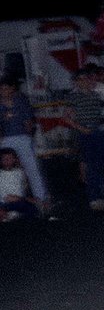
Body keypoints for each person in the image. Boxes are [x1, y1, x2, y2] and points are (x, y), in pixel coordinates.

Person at [66, 68, 104, 209]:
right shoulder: (73, 97)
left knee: (102, 163)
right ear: (76, 82)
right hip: (85, 133)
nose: (84, 82)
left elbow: (102, 114)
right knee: (91, 165)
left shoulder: (96, 95)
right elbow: (67, 118)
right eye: (80, 79)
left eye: (86, 79)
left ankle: (103, 194)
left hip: (98, 131)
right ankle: (94, 198)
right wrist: (82, 128)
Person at [0, 76, 51, 212]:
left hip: (22, 138)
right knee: (3, 168)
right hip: (5, 139)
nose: (4, 91)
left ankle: (42, 199)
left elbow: (28, 121)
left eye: (6, 88)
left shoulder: (21, 101)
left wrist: (28, 137)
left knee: (32, 168)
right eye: (1, 89)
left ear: (12, 89)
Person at [0, 147, 39, 221]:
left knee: (34, 208)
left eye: (10, 158)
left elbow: (24, 189)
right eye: (4, 158)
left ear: (15, 159)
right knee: (27, 207)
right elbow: (7, 198)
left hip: (19, 202)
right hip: (4, 203)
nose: (7, 160)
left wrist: (28, 199)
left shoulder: (20, 172)